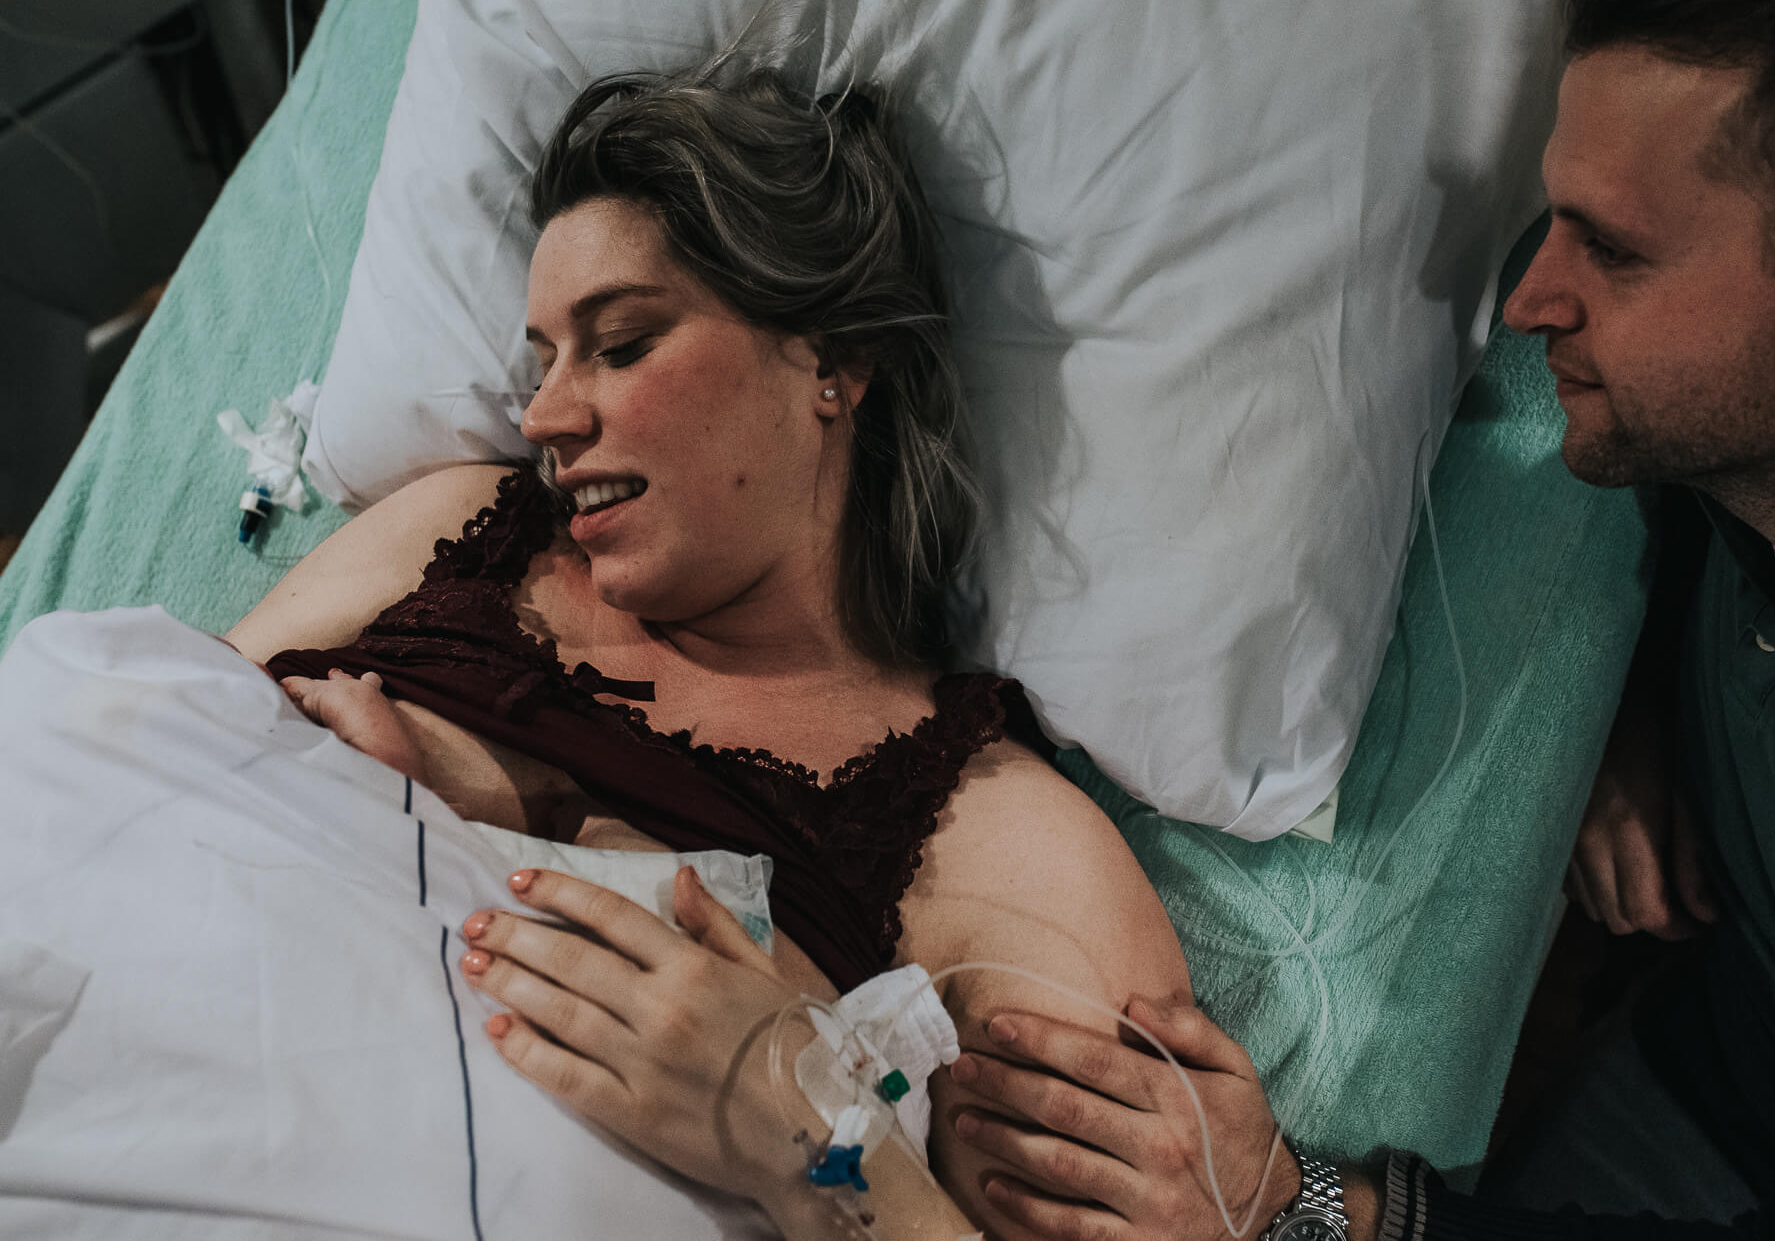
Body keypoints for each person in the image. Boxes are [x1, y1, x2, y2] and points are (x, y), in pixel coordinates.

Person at [943, 0, 1775, 1240]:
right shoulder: (1767, 439)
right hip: (1715, 1069)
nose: (1531, 301)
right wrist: (1629, 702)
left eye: (1614, 251)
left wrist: (1302, 1202)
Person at [225, 64, 1191, 1239]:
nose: (542, 417)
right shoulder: (452, 530)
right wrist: (364, 821)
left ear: (832, 359)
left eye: (621, 344)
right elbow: (128, 751)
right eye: (541, 362)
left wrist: (809, 1133)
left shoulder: (1000, 850)